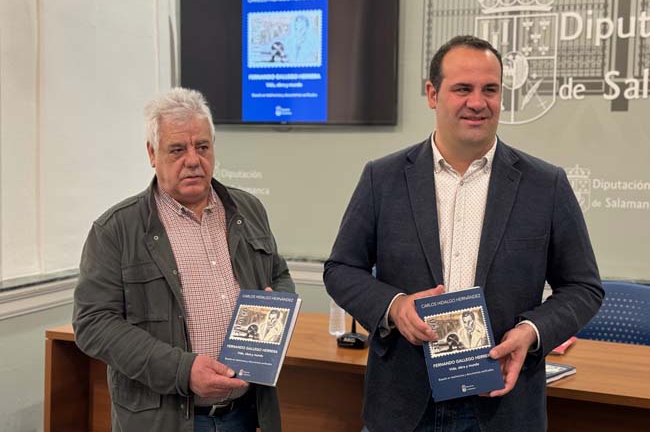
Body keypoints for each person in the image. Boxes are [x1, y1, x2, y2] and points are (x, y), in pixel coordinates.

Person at [323, 35, 603, 432]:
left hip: (502, 406)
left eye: (490, 89)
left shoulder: (546, 185)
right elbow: (340, 269)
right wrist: (395, 306)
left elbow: (583, 287)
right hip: (403, 406)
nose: (478, 102)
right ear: (432, 94)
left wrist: (531, 331)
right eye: (462, 89)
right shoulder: (382, 178)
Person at [73, 88, 294, 432]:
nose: (193, 160)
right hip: (167, 420)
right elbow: (93, 323)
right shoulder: (116, 229)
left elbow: (278, 274)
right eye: (177, 149)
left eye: (202, 147)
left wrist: (275, 312)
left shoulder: (248, 209)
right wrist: (183, 370)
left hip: (247, 412)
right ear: (152, 153)